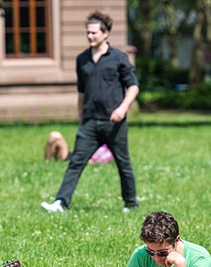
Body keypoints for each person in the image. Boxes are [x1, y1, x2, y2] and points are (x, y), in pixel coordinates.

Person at [41, 11, 140, 213]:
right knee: (76, 162)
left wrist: (122, 109)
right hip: (89, 122)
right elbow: (81, 92)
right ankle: (61, 203)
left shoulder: (119, 58)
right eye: (88, 32)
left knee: (123, 163)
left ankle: (131, 204)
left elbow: (133, 87)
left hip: (114, 123)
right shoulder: (82, 59)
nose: (90, 36)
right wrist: (81, 116)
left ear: (106, 33)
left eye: (94, 33)